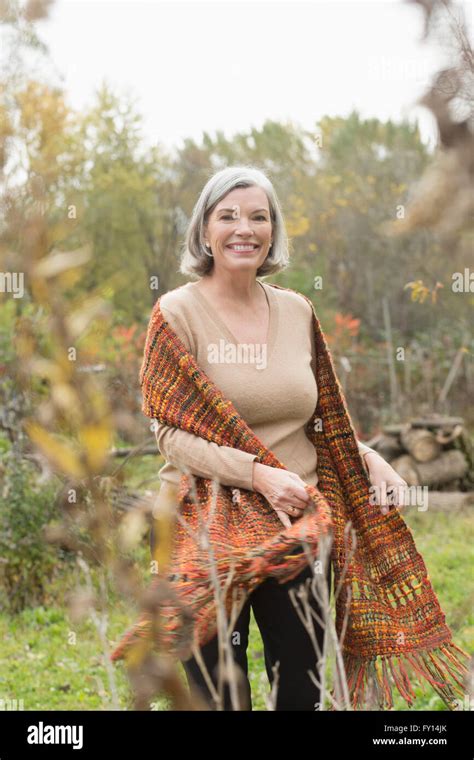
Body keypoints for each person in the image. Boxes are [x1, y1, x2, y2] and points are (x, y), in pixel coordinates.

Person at [147, 165, 407, 710]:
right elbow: (169, 432)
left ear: (273, 231)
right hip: (203, 524)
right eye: (229, 216)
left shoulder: (296, 310)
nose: (245, 228)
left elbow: (319, 421)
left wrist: (369, 456)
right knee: (219, 692)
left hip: (296, 525)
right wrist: (256, 474)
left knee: (302, 685)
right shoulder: (176, 312)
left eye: (259, 216)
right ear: (204, 231)